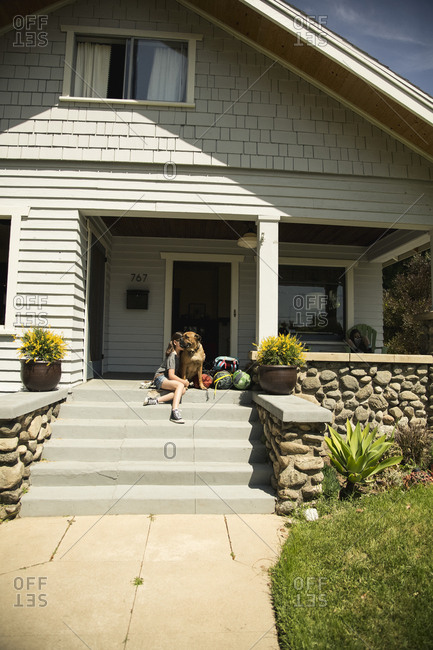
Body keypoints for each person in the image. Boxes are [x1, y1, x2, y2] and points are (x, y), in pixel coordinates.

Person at [143, 331, 189, 424]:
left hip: (165, 379)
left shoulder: (179, 355)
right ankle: (174, 412)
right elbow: (171, 375)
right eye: (181, 342)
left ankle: (154, 401)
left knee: (182, 390)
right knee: (180, 386)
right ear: (175, 342)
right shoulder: (173, 355)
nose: (184, 344)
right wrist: (184, 381)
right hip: (160, 378)